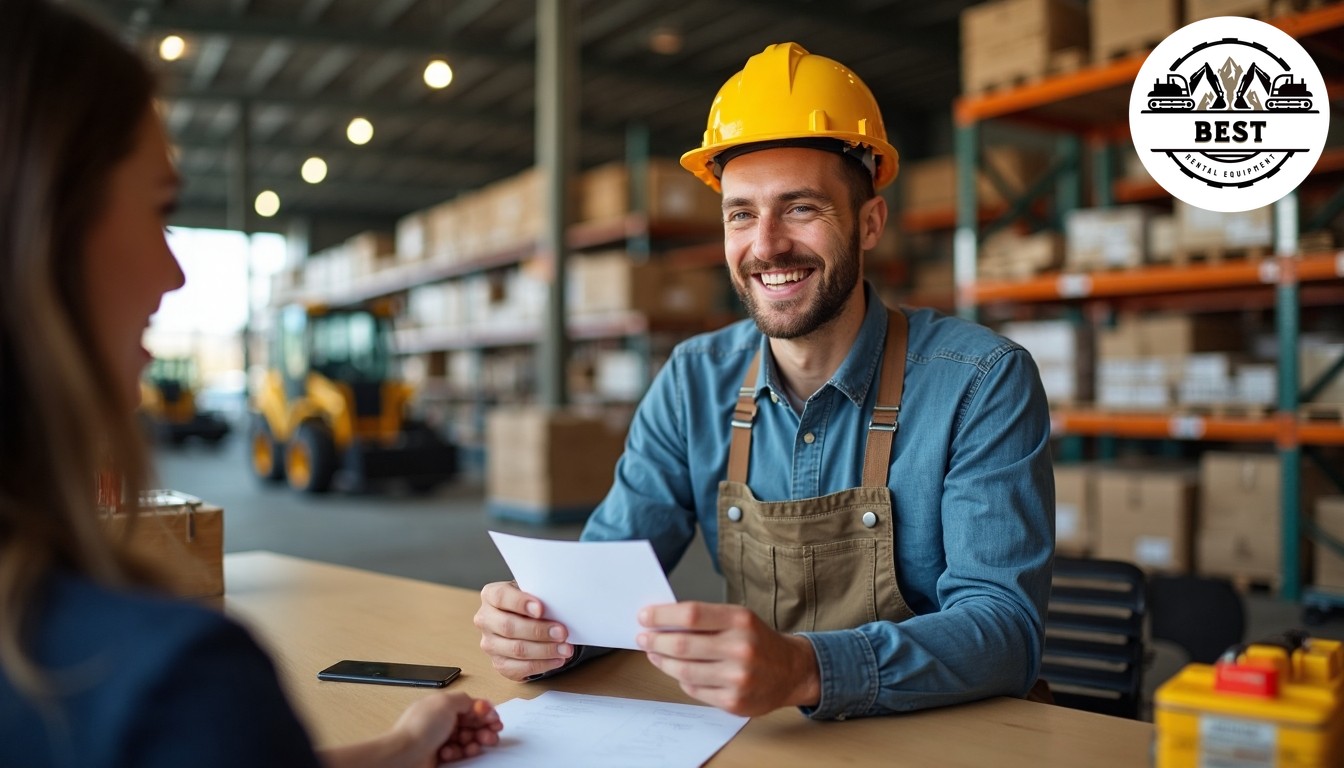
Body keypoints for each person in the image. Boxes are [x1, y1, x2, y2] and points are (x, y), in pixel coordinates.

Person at [476, 41, 1054, 720]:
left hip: (939, 736)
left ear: (869, 224)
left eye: (802, 208)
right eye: (741, 214)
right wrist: (547, 632)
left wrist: (807, 668)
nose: (767, 244)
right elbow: (606, 580)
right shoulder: (693, 381)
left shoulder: (981, 382)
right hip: (762, 738)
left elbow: (1005, 629)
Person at [0, 2, 501, 765]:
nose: (174, 273)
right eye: (161, 211)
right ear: (44, 231)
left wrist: (402, 746)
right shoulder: (174, 682)